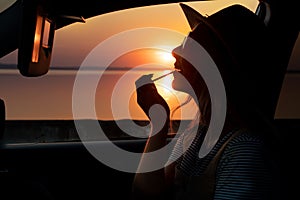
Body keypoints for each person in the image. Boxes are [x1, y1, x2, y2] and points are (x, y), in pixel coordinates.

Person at [131, 3, 280, 200]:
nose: (175, 51)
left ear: (215, 63)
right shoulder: (194, 135)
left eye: (189, 44)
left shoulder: (243, 152)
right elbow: (147, 195)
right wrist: (159, 122)